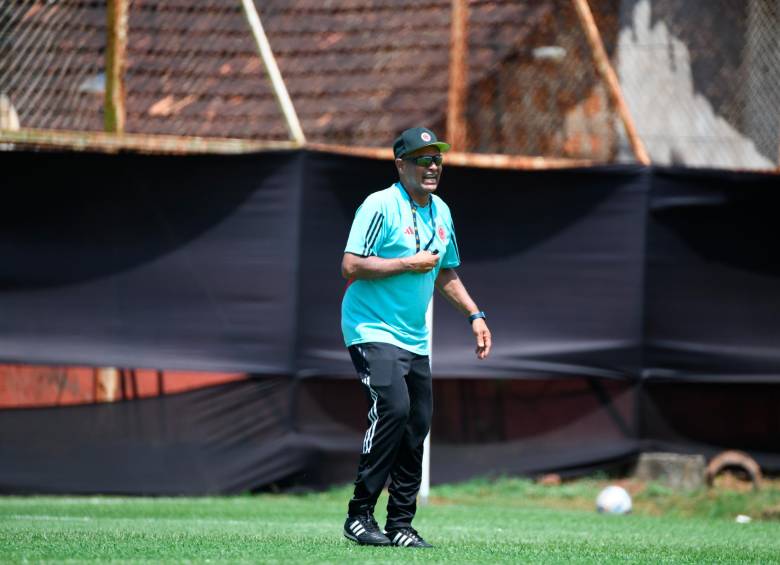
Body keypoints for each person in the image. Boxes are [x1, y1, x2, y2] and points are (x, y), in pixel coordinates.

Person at [340, 126, 492, 548]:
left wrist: (474, 315)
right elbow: (350, 266)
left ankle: (401, 525)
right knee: (393, 407)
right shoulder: (380, 205)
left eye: (437, 158)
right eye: (423, 159)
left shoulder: (441, 211)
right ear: (401, 164)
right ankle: (359, 515)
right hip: (370, 326)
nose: (432, 166)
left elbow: (444, 270)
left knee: (416, 425)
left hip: (414, 337)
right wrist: (406, 264)